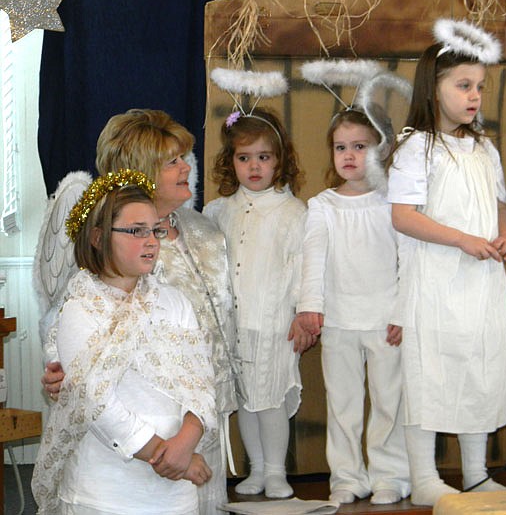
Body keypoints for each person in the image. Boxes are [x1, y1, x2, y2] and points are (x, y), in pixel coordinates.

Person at [41, 109, 238, 514]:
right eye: (172, 161)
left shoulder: (204, 230)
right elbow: (67, 324)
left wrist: (193, 427)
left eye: (185, 158)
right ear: (141, 171)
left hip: (197, 418)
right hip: (129, 442)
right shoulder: (111, 242)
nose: (186, 167)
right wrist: (60, 369)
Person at [386, 18, 506, 507]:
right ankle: (424, 477)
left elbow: (500, 205)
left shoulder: (484, 148)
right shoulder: (416, 147)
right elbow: (403, 216)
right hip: (436, 281)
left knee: (479, 371)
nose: (475, 96)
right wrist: (462, 240)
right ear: (433, 86)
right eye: (464, 85)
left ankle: (476, 473)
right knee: (431, 374)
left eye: (480, 87)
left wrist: (505, 236)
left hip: (482, 283)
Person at [295, 108, 411, 505]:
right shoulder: (322, 205)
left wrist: (403, 313)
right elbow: (313, 259)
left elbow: (409, 260)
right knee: (342, 403)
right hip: (340, 321)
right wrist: (309, 306)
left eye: (360, 147)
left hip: (385, 321)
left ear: (383, 149)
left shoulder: (394, 203)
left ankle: (391, 475)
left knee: (388, 402)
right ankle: (346, 476)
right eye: (340, 147)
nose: (348, 155)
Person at [204, 108, 311, 499]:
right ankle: (256, 468)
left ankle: (276, 471)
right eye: (243, 157)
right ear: (230, 161)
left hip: (274, 324)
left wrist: (303, 314)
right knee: (245, 402)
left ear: (279, 160)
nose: (253, 166)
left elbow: (304, 268)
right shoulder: (218, 212)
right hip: (234, 327)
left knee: (271, 400)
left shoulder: (293, 213)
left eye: (263, 157)